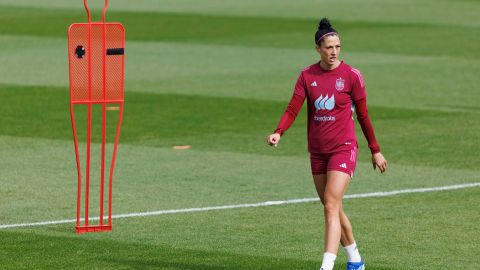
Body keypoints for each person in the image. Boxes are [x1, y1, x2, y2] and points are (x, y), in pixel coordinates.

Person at [266, 18, 387, 270]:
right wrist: (279, 132)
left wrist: (375, 150)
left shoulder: (352, 76)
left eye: (338, 47)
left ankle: (327, 266)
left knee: (331, 204)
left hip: (343, 148)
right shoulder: (307, 76)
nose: (334, 52)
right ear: (318, 48)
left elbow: (363, 115)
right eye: (329, 47)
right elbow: (293, 107)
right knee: (333, 207)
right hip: (318, 152)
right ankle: (355, 260)